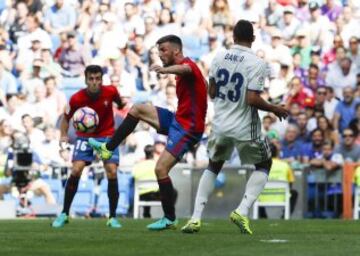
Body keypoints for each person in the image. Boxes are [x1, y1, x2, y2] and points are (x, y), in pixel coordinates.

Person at [89, 35, 208, 230]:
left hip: (188, 129)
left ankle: (169, 218)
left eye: (163, 50)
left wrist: (165, 70)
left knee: (160, 169)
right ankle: (108, 148)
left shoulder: (188, 65)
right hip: (178, 120)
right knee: (137, 108)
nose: (160, 55)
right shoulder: (188, 72)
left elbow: (186, 69)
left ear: (176, 51)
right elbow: (202, 85)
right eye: (158, 51)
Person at [180, 20, 288, 234]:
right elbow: (252, 99)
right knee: (264, 164)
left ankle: (195, 218)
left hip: (220, 124)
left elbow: (211, 92)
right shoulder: (257, 63)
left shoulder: (218, 57)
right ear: (253, 39)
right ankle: (242, 210)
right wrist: (274, 107)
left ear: (233, 36)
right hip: (244, 126)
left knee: (213, 166)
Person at [52, 65, 125, 228]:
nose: (94, 82)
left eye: (97, 79)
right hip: (85, 137)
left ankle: (112, 217)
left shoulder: (111, 91)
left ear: (101, 79)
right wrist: (63, 134)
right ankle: (64, 213)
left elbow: (119, 103)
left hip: (107, 136)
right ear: (85, 80)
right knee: (76, 169)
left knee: (112, 171)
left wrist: (121, 105)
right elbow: (65, 118)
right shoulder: (76, 98)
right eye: (91, 79)